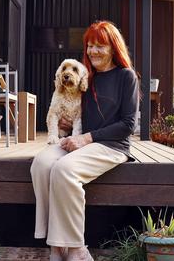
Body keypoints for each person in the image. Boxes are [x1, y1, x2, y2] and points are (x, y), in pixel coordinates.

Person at [30, 20, 139, 261]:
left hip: (111, 145)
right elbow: (73, 111)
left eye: (100, 45)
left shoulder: (126, 77)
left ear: (113, 47)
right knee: (41, 164)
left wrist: (86, 138)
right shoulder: (83, 76)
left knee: (65, 169)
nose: (93, 51)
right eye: (90, 45)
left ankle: (77, 249)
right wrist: (64, 126)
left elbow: (128, 125)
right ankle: (56, 245)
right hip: (78, 141)